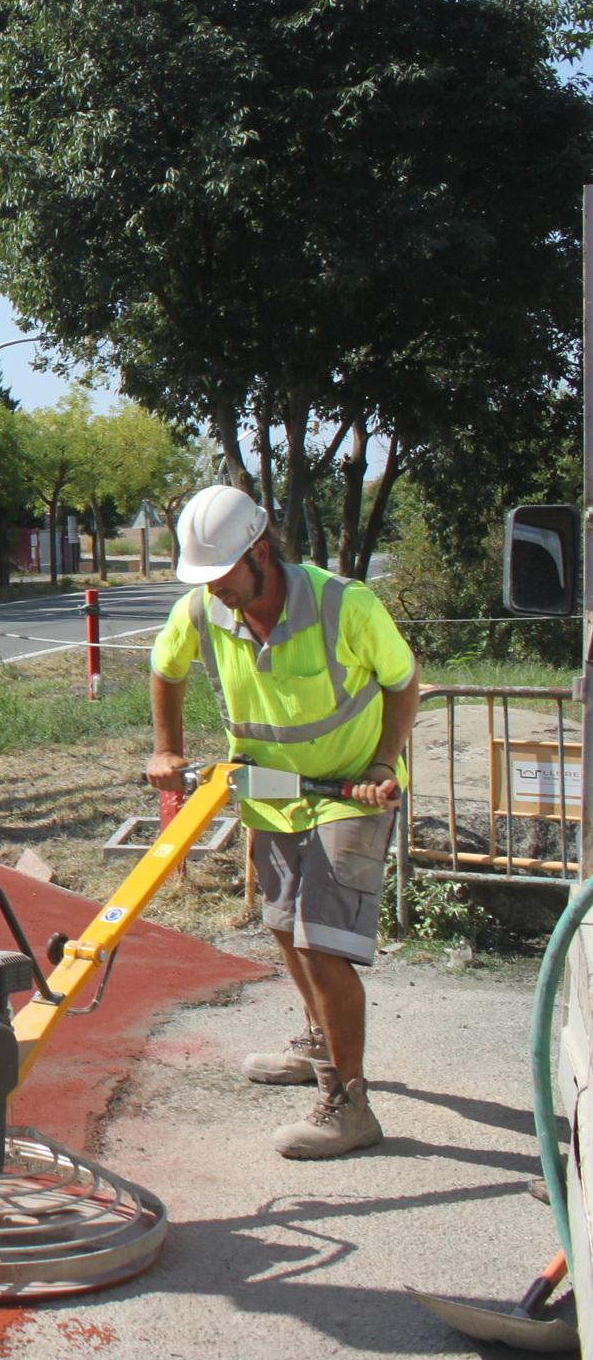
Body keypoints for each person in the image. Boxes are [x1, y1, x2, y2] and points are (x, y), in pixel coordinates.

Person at [146, 484, 419, 1159]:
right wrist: (165, 747)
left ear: (259, 552)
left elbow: (404, 680)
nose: (212, 592)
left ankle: (349, 1103)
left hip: (351, 787)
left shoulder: (342, 603)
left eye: (221, 576)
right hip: (270, 787)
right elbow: (164, 667)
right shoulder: (204, 609)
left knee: (321, 940)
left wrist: (384, 760)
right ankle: (319, 1036)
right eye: (202, 580)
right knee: (282, 925)